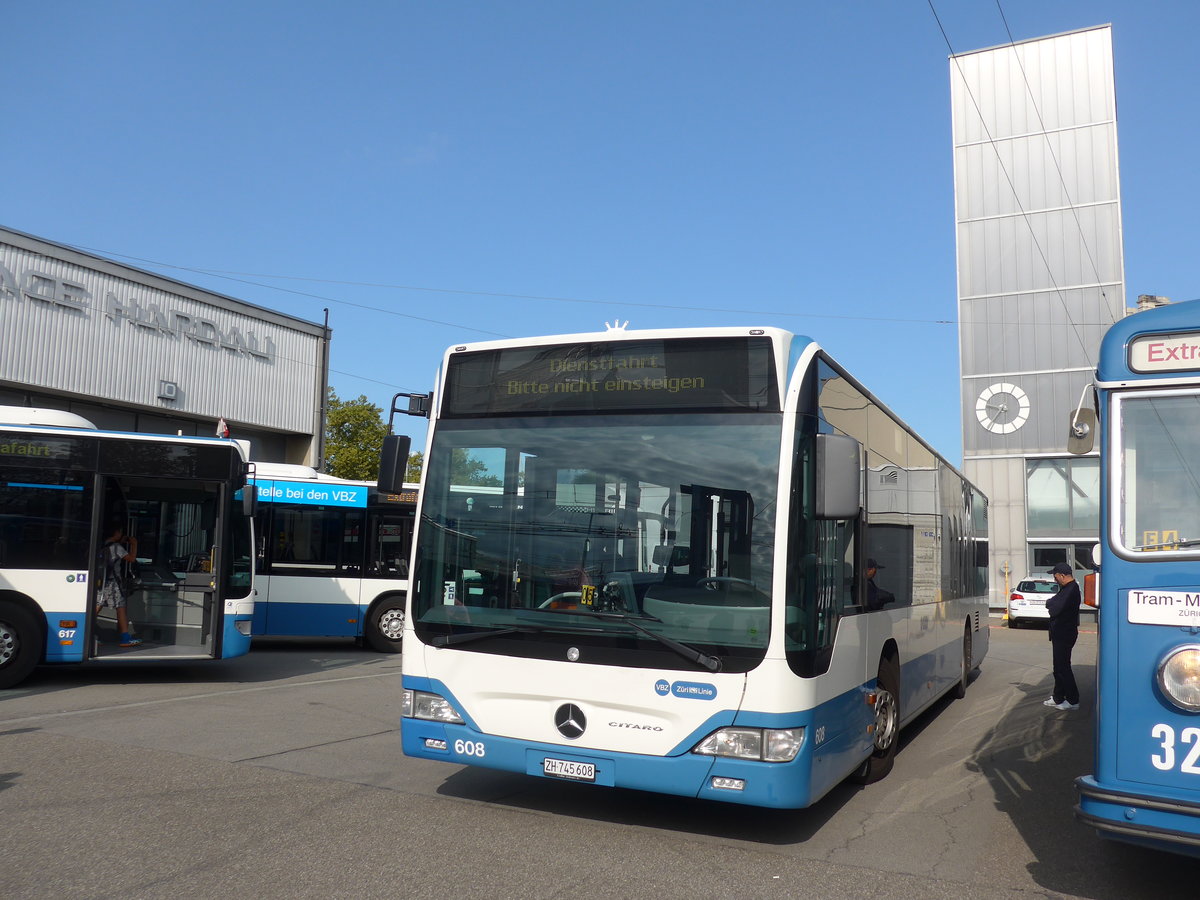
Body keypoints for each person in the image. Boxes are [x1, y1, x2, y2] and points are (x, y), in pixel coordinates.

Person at [97, 523, 142, 648]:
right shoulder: (116, 547)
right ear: (116, 533)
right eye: (121, 532)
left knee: (97, 606)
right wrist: (134, 544)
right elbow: (132, 559)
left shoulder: (101, 544)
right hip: (113, 583)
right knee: (121, 609)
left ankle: (85, 634)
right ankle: (125, 638)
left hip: (101, 581)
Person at [1043, 562, 1081, 710]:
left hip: (1065, 634)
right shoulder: (1066, 589)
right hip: (1060, 633)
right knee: (1058, 667)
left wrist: (1050, 603)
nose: (1054, 579)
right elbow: (1052, 604)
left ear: (1063, 576)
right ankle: (1058, 697)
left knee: (1063, 668)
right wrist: (1051, 603)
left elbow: (1054, 608)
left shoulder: (1071, 590)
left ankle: (1072, 700)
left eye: (1055, 576)